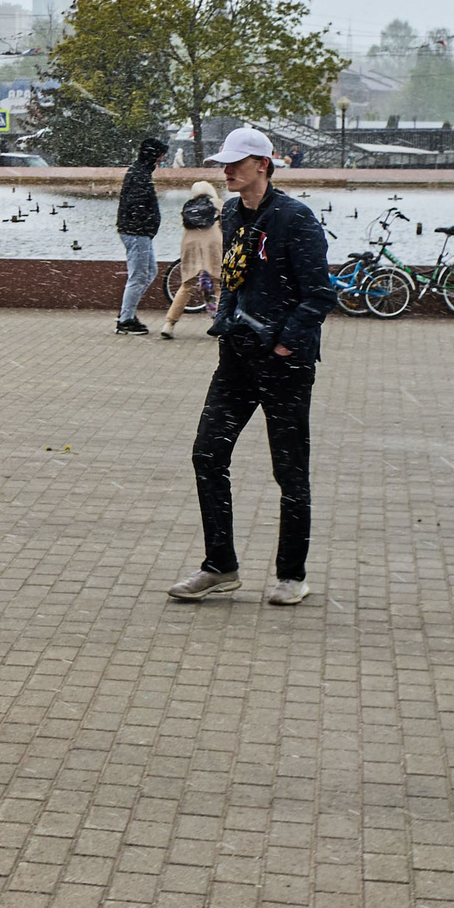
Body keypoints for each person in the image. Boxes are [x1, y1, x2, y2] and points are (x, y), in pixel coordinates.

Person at [167, 127, 335, 607]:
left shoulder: (295, 218)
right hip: (237, 359)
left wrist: (284, 345)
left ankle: (291, 574)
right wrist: (224, 322)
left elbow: (320, 295)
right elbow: (234, 278)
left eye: (236, 163)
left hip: (285, 366)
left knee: (289, 470)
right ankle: (221, 565)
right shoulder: (231, 212)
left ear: (263, 163)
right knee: (207, 454)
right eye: (225, 163)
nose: (227, 170)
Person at [158, 179, 223, 340]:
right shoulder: (218, 204)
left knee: (187, 285)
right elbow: (227, 226)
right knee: (217, 285)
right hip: (212, 245)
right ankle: (220, 324)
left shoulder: (189, 206)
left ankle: (169, 324)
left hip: (190, 245)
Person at [115, 136, 167, 336]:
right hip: (136, 233)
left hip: (140, 232)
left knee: (150, 271)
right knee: (139, 276)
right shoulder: (139, 174)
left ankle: (127, 313)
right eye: (160, 155)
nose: (161, 160)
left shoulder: (140, 172)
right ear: (152, 155)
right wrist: (146, 225)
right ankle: (125, 320)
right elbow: (136, 206)